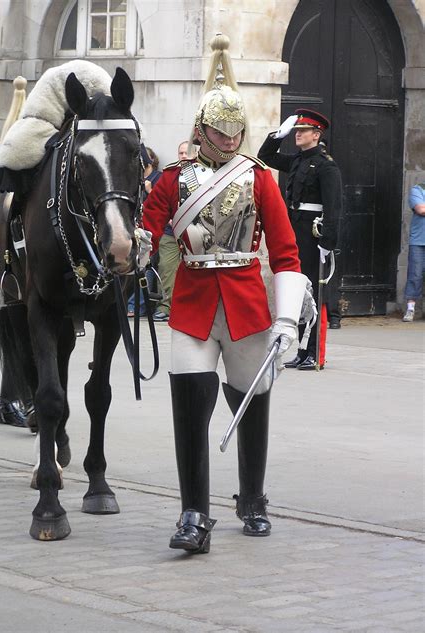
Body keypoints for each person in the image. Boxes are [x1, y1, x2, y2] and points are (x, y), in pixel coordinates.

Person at [142, 33, 309, 554]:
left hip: (245, 306)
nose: (231, 139)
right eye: (221, 131)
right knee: (190, 407)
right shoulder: (173, 179)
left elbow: (285, 254)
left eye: (238, 131)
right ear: (202, 128)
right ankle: (194, 513)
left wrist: (286, 320)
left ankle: (253, 496)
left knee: (252, 401)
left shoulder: (260, 181)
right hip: (192, 304)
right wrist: (134, 244)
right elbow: (149, 229)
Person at [258, 109, 343, 369]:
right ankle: (303, 349)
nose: (298, 134)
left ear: (316, 135)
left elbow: (334, 206)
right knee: (299, 290)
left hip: (313, 234)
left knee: (314, 292)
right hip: (295, 230)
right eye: (296, 131)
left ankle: (315, 351)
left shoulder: (326, 165)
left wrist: (328, 243)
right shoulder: (297, 160)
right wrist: (276, 136)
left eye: (303, 131)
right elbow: (265, 157)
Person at [151, 141, 195, 322]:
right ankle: (166, 306)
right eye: (181, 153)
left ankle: (190, 307)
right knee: (167, 269)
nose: (183, 156)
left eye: (187, 153)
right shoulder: (169, 176)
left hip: (194, 234)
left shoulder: (204, 176)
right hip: (170, 232)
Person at [127, 144, 162, 317]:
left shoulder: (159, 178)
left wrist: (149, 190)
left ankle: (138, 306)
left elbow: (162, 205)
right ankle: (130, 304)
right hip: (133, 227)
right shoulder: (133, 179)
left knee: (145, 266)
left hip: (150, 229)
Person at [403, 183, 425, 322]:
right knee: (415, 275)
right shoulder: (418, 189)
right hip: (418, 242)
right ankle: (410, 309)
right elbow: (421, 209)